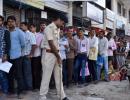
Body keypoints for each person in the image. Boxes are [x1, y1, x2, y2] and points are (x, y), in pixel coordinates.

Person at [40, 13, 69, 100]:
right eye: (63, 23)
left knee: (59, 76)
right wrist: (59, 57)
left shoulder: (58, 29)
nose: (63, 25)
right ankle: (42, 96)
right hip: (49, 54)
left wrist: (58, 56)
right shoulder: (48, 28)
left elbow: (56, 44)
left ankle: (62, 96)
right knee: (46, 76)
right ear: (59, 19)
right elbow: (51, 44)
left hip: (56, 53)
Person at [7, 16, 25, 99]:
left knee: (19, 75)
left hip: (17, 57)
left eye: (12, 21)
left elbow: (23, 44)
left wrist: (20, 53)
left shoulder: (19, 32)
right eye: (9, 21)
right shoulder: (6, 31)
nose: (10, 23)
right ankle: (11, 91)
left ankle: (20, 92)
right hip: (8, 57)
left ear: (15, 22)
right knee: (9, 75)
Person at [20, 22, 36, 91]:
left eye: (22, 26)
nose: (21, 27)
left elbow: (34, 45)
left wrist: (31, 54)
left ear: (26, 26)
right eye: (20, 26)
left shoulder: (31, 34)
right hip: (20, 56)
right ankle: (23, 87)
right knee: (22, 72)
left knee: (28, 72)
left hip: (27, 56)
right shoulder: (20, 34)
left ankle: (29, 87)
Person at [29, 24, 43, 90]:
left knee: (37, 71)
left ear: (35, 28)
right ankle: (33, 85)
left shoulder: (39, 35)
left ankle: (38, 85)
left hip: (37, 56)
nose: (31, 29)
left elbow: (36, 45)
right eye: (30, 28)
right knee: (31, 71)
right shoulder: (29, 35)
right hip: (30, 56)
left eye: (32, 27)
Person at [0, 15, 10, 95]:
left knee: (2, 74)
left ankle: (5, 90)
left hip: (2, 55)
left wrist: (5, 55)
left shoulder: (6, 31)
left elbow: (8, 44)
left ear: (2, 21)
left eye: (0, 20)